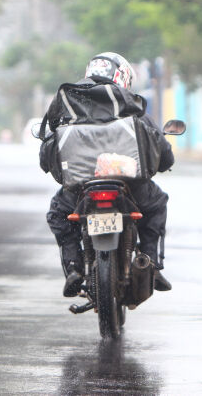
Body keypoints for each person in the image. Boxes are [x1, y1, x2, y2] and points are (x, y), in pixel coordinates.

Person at [39, 52, 175, 297]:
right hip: (129, 185)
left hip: (80, 188)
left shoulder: (68, 101)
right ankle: (150, 263)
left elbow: (46, 156)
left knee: (58, 213)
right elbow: (163, 153)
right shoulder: (131, 104)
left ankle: (73, 266)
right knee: (157, 204)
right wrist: (164, 162)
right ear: (122, 76)